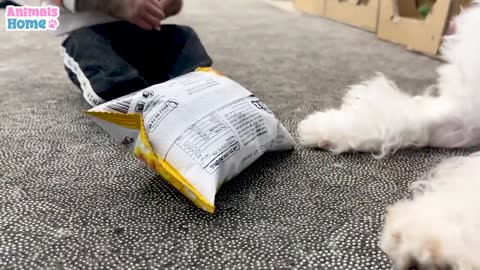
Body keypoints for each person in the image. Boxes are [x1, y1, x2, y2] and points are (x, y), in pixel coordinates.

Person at [45, 0, 213, 106]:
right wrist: (116, 3)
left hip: (142, 31)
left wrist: (167, 5)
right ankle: (127, 95)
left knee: (184, 37)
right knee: (106, 71)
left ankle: (194, 85)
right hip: (91, 34)